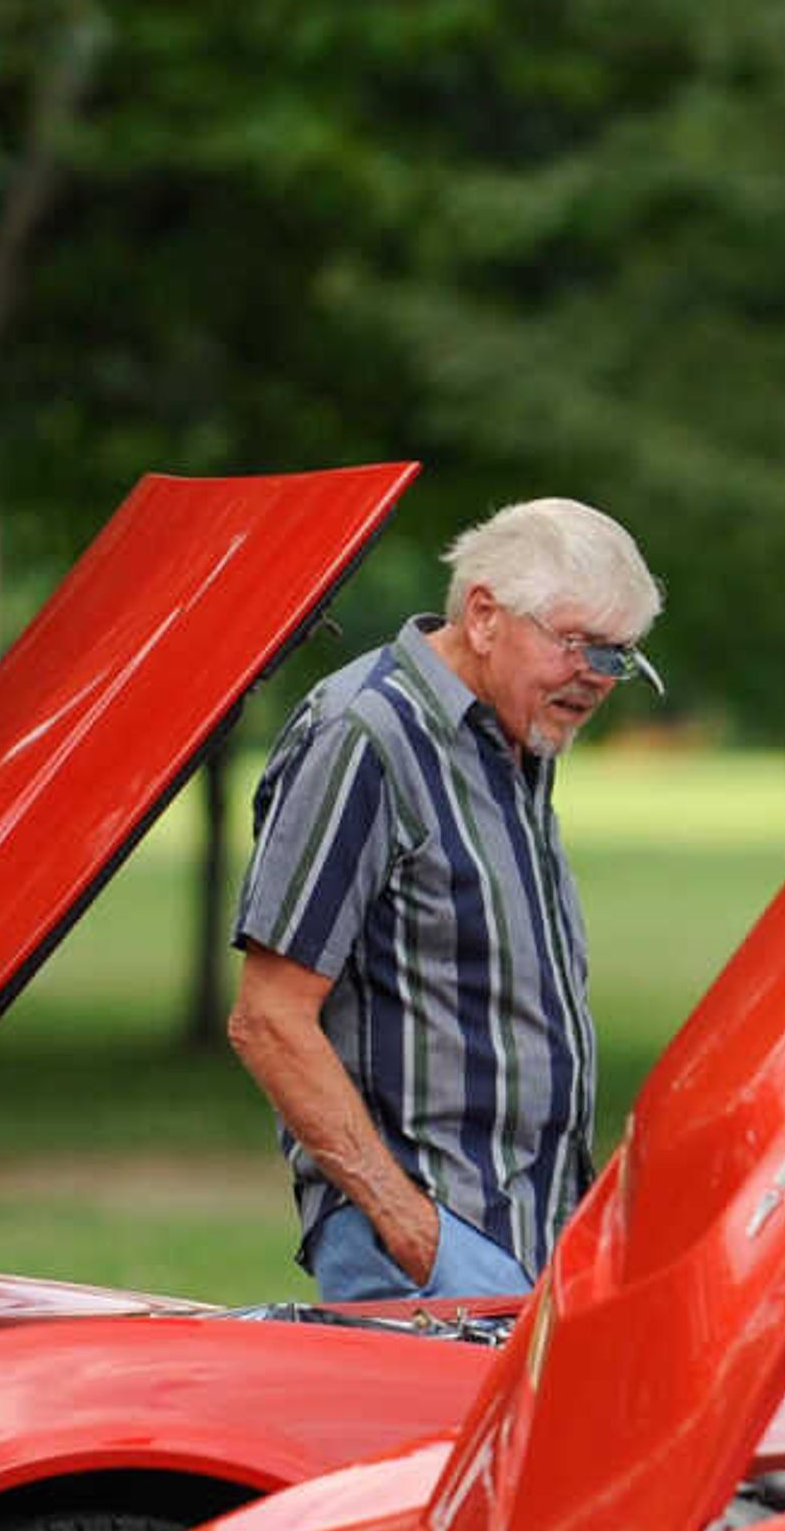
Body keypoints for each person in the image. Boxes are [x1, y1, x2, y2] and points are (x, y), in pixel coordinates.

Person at [228, 496, 663, 1302]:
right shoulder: (365, 734)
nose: (599, 679)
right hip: (429, 1248)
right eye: (579, 646)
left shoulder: (517, 731)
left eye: (619, 656)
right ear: (486, 615)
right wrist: (414, 1234)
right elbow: (269, 1018)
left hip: (531, 1236)